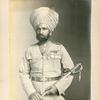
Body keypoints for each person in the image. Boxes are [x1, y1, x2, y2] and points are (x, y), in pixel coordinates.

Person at [19, 7, 74, 100]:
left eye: (44, 29)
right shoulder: (30, 50)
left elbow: (70, 71)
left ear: (50, 31)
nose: (41, 32)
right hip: (36, 97)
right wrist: (31, 92)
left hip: (55, 97)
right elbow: (23, 73)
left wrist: (57, 88)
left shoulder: (59, 48)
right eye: (38, 29)